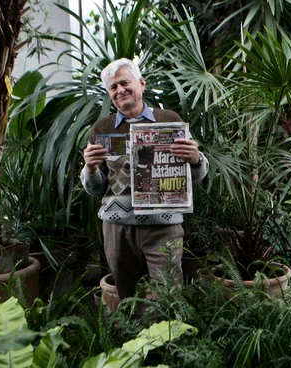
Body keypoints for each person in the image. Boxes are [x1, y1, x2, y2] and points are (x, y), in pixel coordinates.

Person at [81, 58, 209, 300]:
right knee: (129, 299)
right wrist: (89, 169)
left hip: (163, 226)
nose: (119, 90)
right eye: (113, 87)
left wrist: (196, 159)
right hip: (118, 229)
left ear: (141, 84)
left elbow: (195, 176)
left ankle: (166, 339)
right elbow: (96, 188)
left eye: (124, 83)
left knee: (168, 298)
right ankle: (136, 339)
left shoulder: (169, 119)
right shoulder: (102, 128)